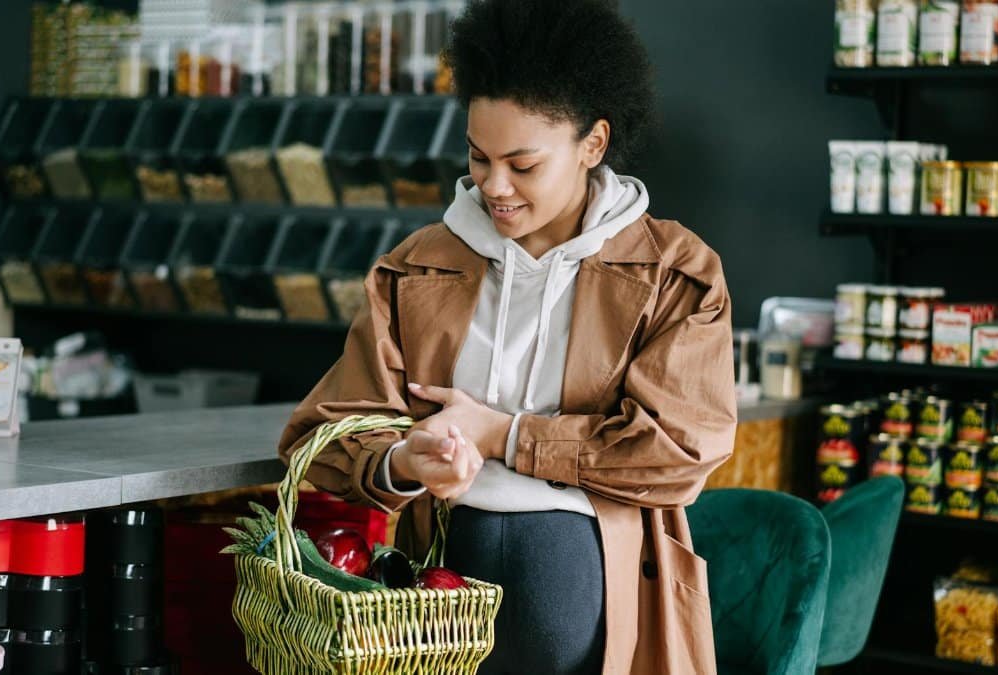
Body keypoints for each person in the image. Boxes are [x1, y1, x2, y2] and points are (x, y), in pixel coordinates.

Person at [278, 0, 737, 672]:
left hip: (595, 604)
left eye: (523, 166)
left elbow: (677, 450)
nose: (495, 186)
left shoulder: (675, 272)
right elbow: (322, 435)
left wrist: (504, 436)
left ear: (593, 144)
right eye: (478, 156)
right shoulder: (417, 265)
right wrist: (406, 459)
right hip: (432, 605)